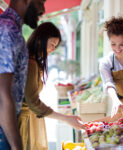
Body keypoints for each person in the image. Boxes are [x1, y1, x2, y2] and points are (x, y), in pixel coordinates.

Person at [18, 22, 86, 150]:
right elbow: (33, 102)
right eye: (52, 44)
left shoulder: (32, 61)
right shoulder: (30, 64)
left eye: (55, 46)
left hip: (31, 119)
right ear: (40, 40)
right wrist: (66, 118)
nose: (53, 49)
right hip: (25, 123)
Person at [0, 0, 46, 150]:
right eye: (40, 2)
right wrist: (16, 145)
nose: (43, 9)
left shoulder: (12, 30)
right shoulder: (7, 30)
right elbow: (1, 95)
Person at [99, 16, 123, 117]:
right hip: (121, 105)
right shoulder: (106, 63)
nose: (117, 48)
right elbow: (109, 83)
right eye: (113, 44)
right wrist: (115, 101)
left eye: (122, 44)